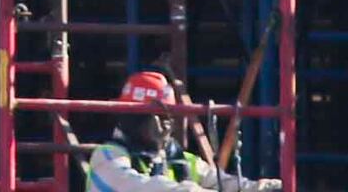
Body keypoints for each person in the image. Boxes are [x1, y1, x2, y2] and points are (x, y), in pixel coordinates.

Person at [80, 70, 281, 192]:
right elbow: (140, 187)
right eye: (157, 116)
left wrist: (264, 188)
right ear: (131, 118)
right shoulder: (107, 157)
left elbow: (222, 183)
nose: (166, 124)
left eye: (169, 117)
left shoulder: (181, 160)